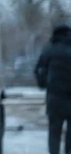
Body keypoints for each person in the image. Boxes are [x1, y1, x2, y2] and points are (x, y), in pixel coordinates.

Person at [35, 24, 71, 154]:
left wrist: (44, 84)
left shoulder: (49, 49)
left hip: (55, 99)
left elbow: (39, 70)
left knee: (54, 133)